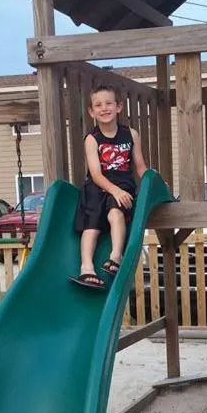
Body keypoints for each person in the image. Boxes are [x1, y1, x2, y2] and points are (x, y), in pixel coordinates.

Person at [71, 84, 148, 290]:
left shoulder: (130, 134)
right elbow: (95, 174)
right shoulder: (92, 139)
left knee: (116, 214)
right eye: (98, 105)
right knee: (92, 227)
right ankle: (86, 268)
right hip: (97, 186)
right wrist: (113, 190)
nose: (104, 108)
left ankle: (115, 256)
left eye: (109, 103)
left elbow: (140, 166)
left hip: (123, 184)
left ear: (119, 107)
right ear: (91, 111)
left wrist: (152, 181)